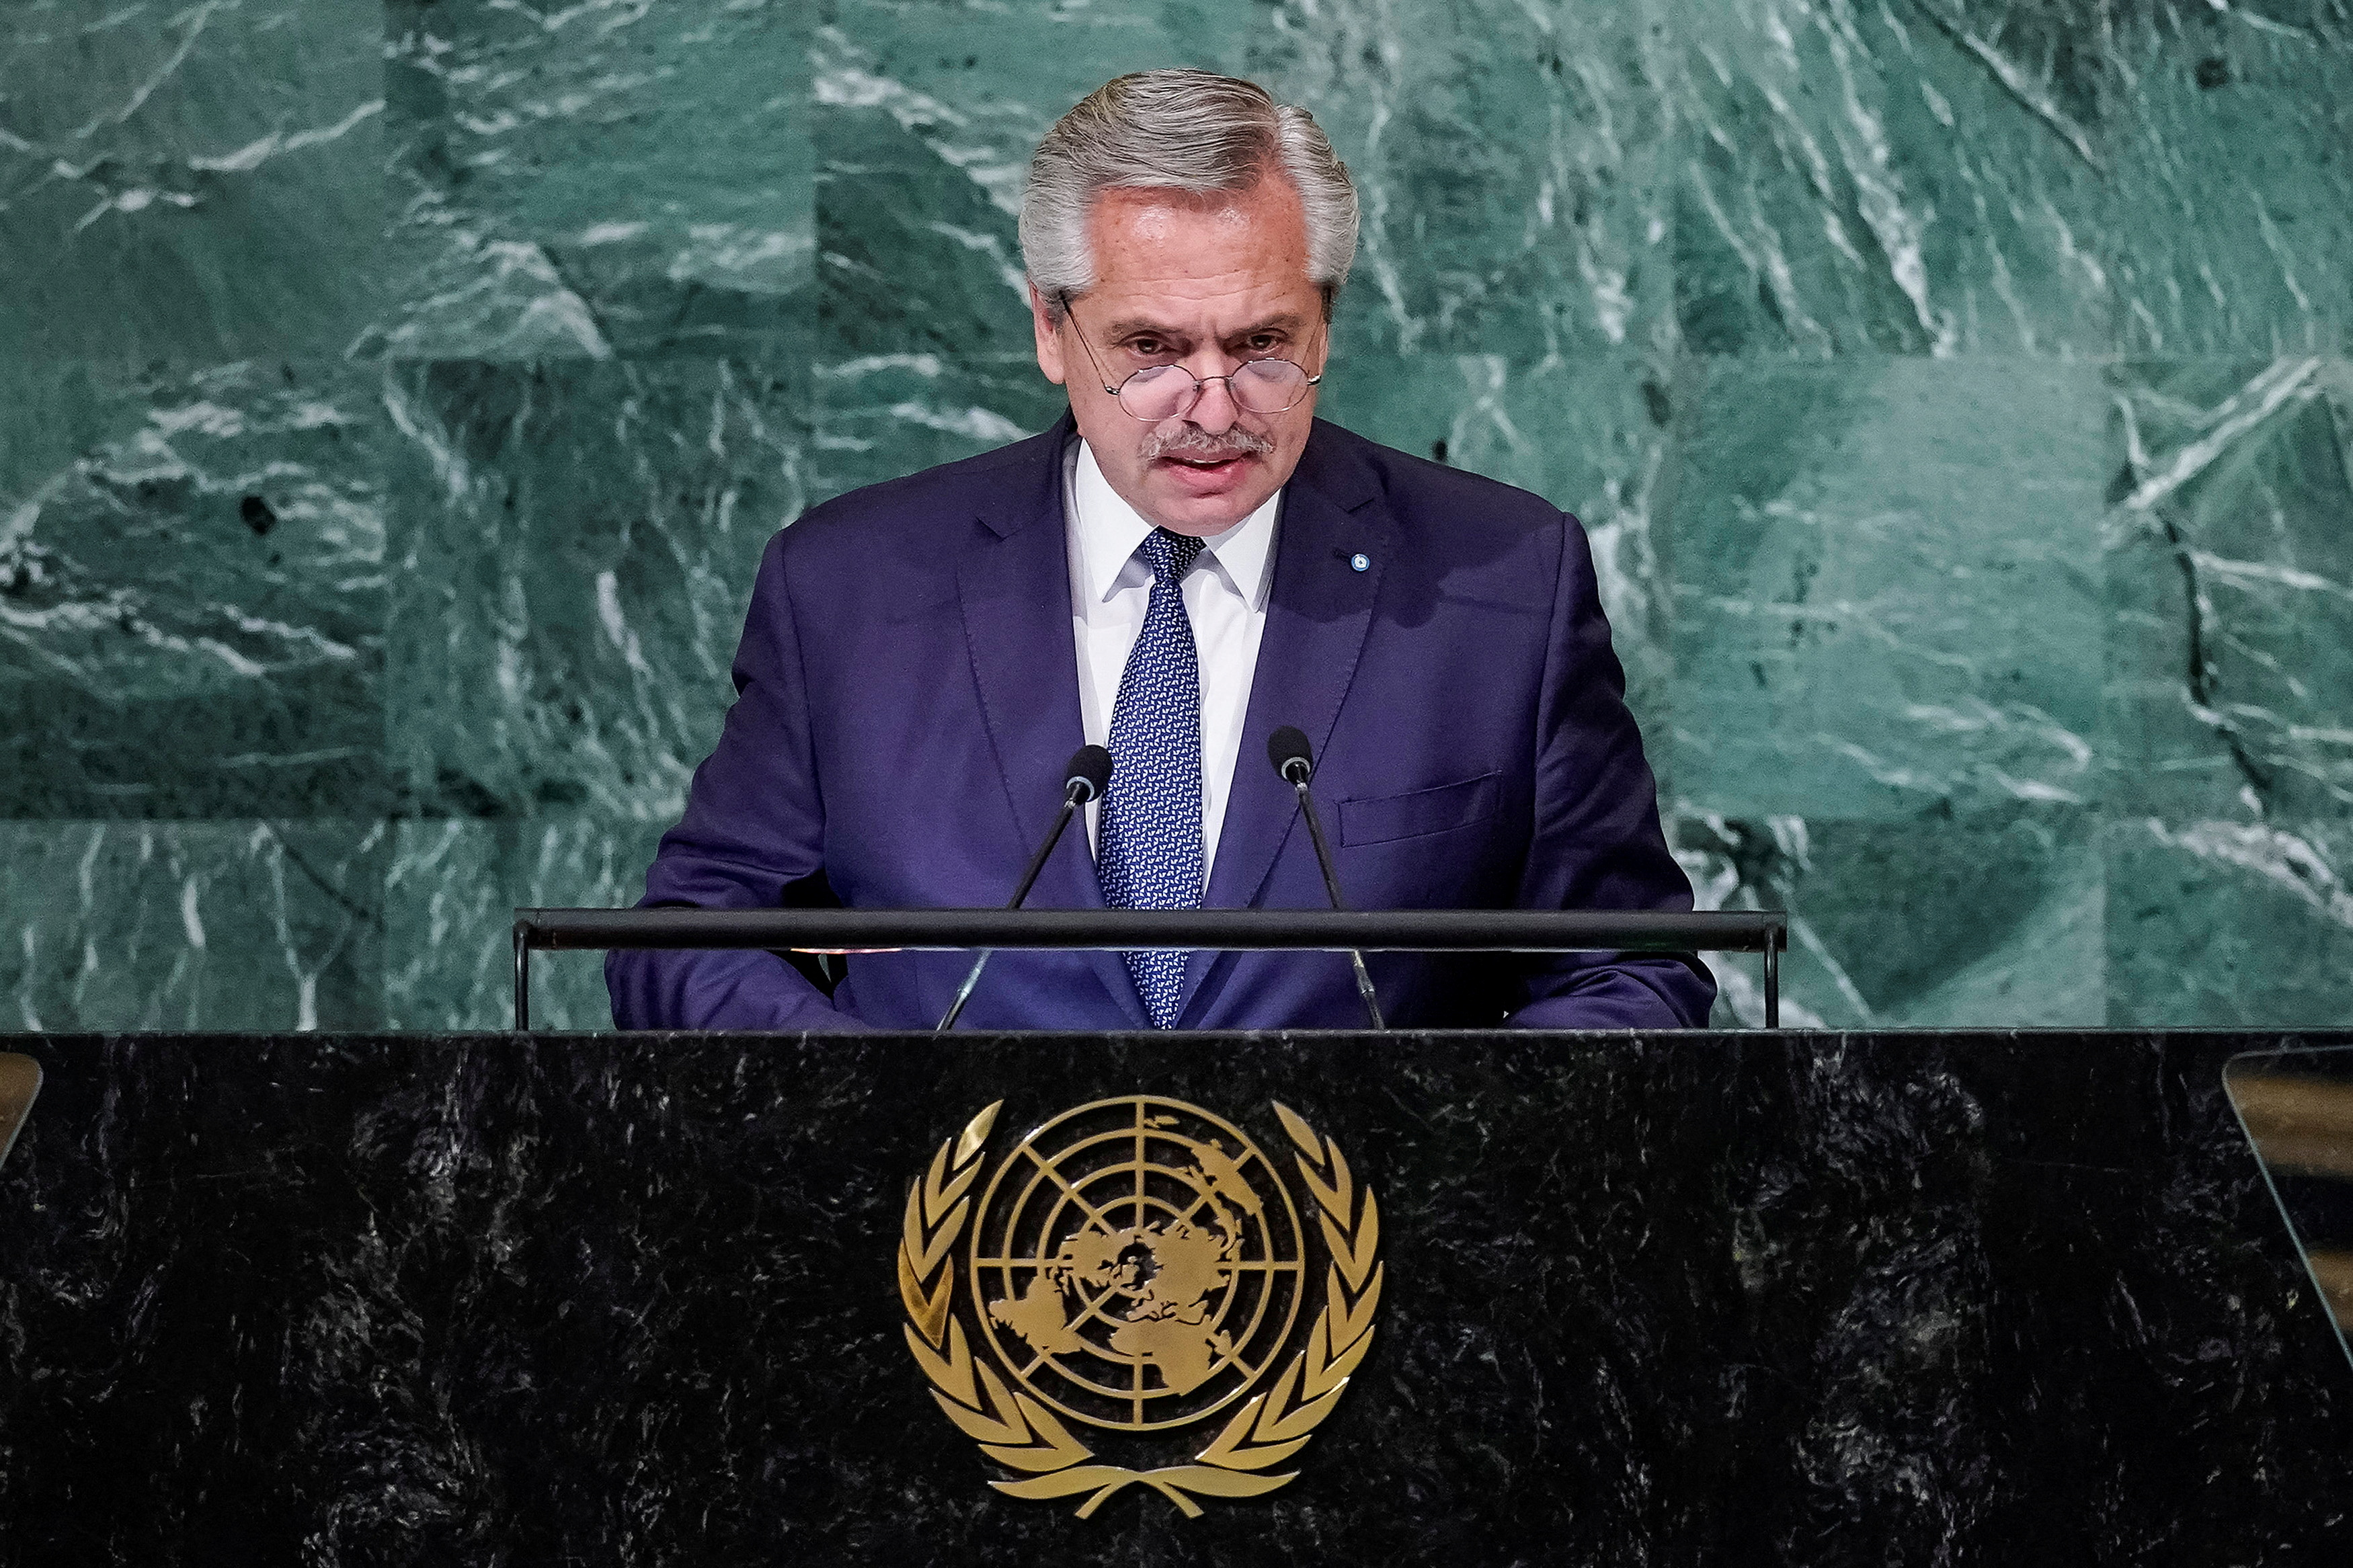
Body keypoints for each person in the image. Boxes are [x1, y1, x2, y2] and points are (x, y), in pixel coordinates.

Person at [606, 69, 1714, 1032]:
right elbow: (690, 945)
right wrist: (883, 1117)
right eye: (1151, 348)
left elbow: (1626, 967)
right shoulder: (849, 589)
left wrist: (1447, 1157)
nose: (1214, 403)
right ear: (1050, 327)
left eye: (1264, 344)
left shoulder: (1503, 580)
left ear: (1324, 321)